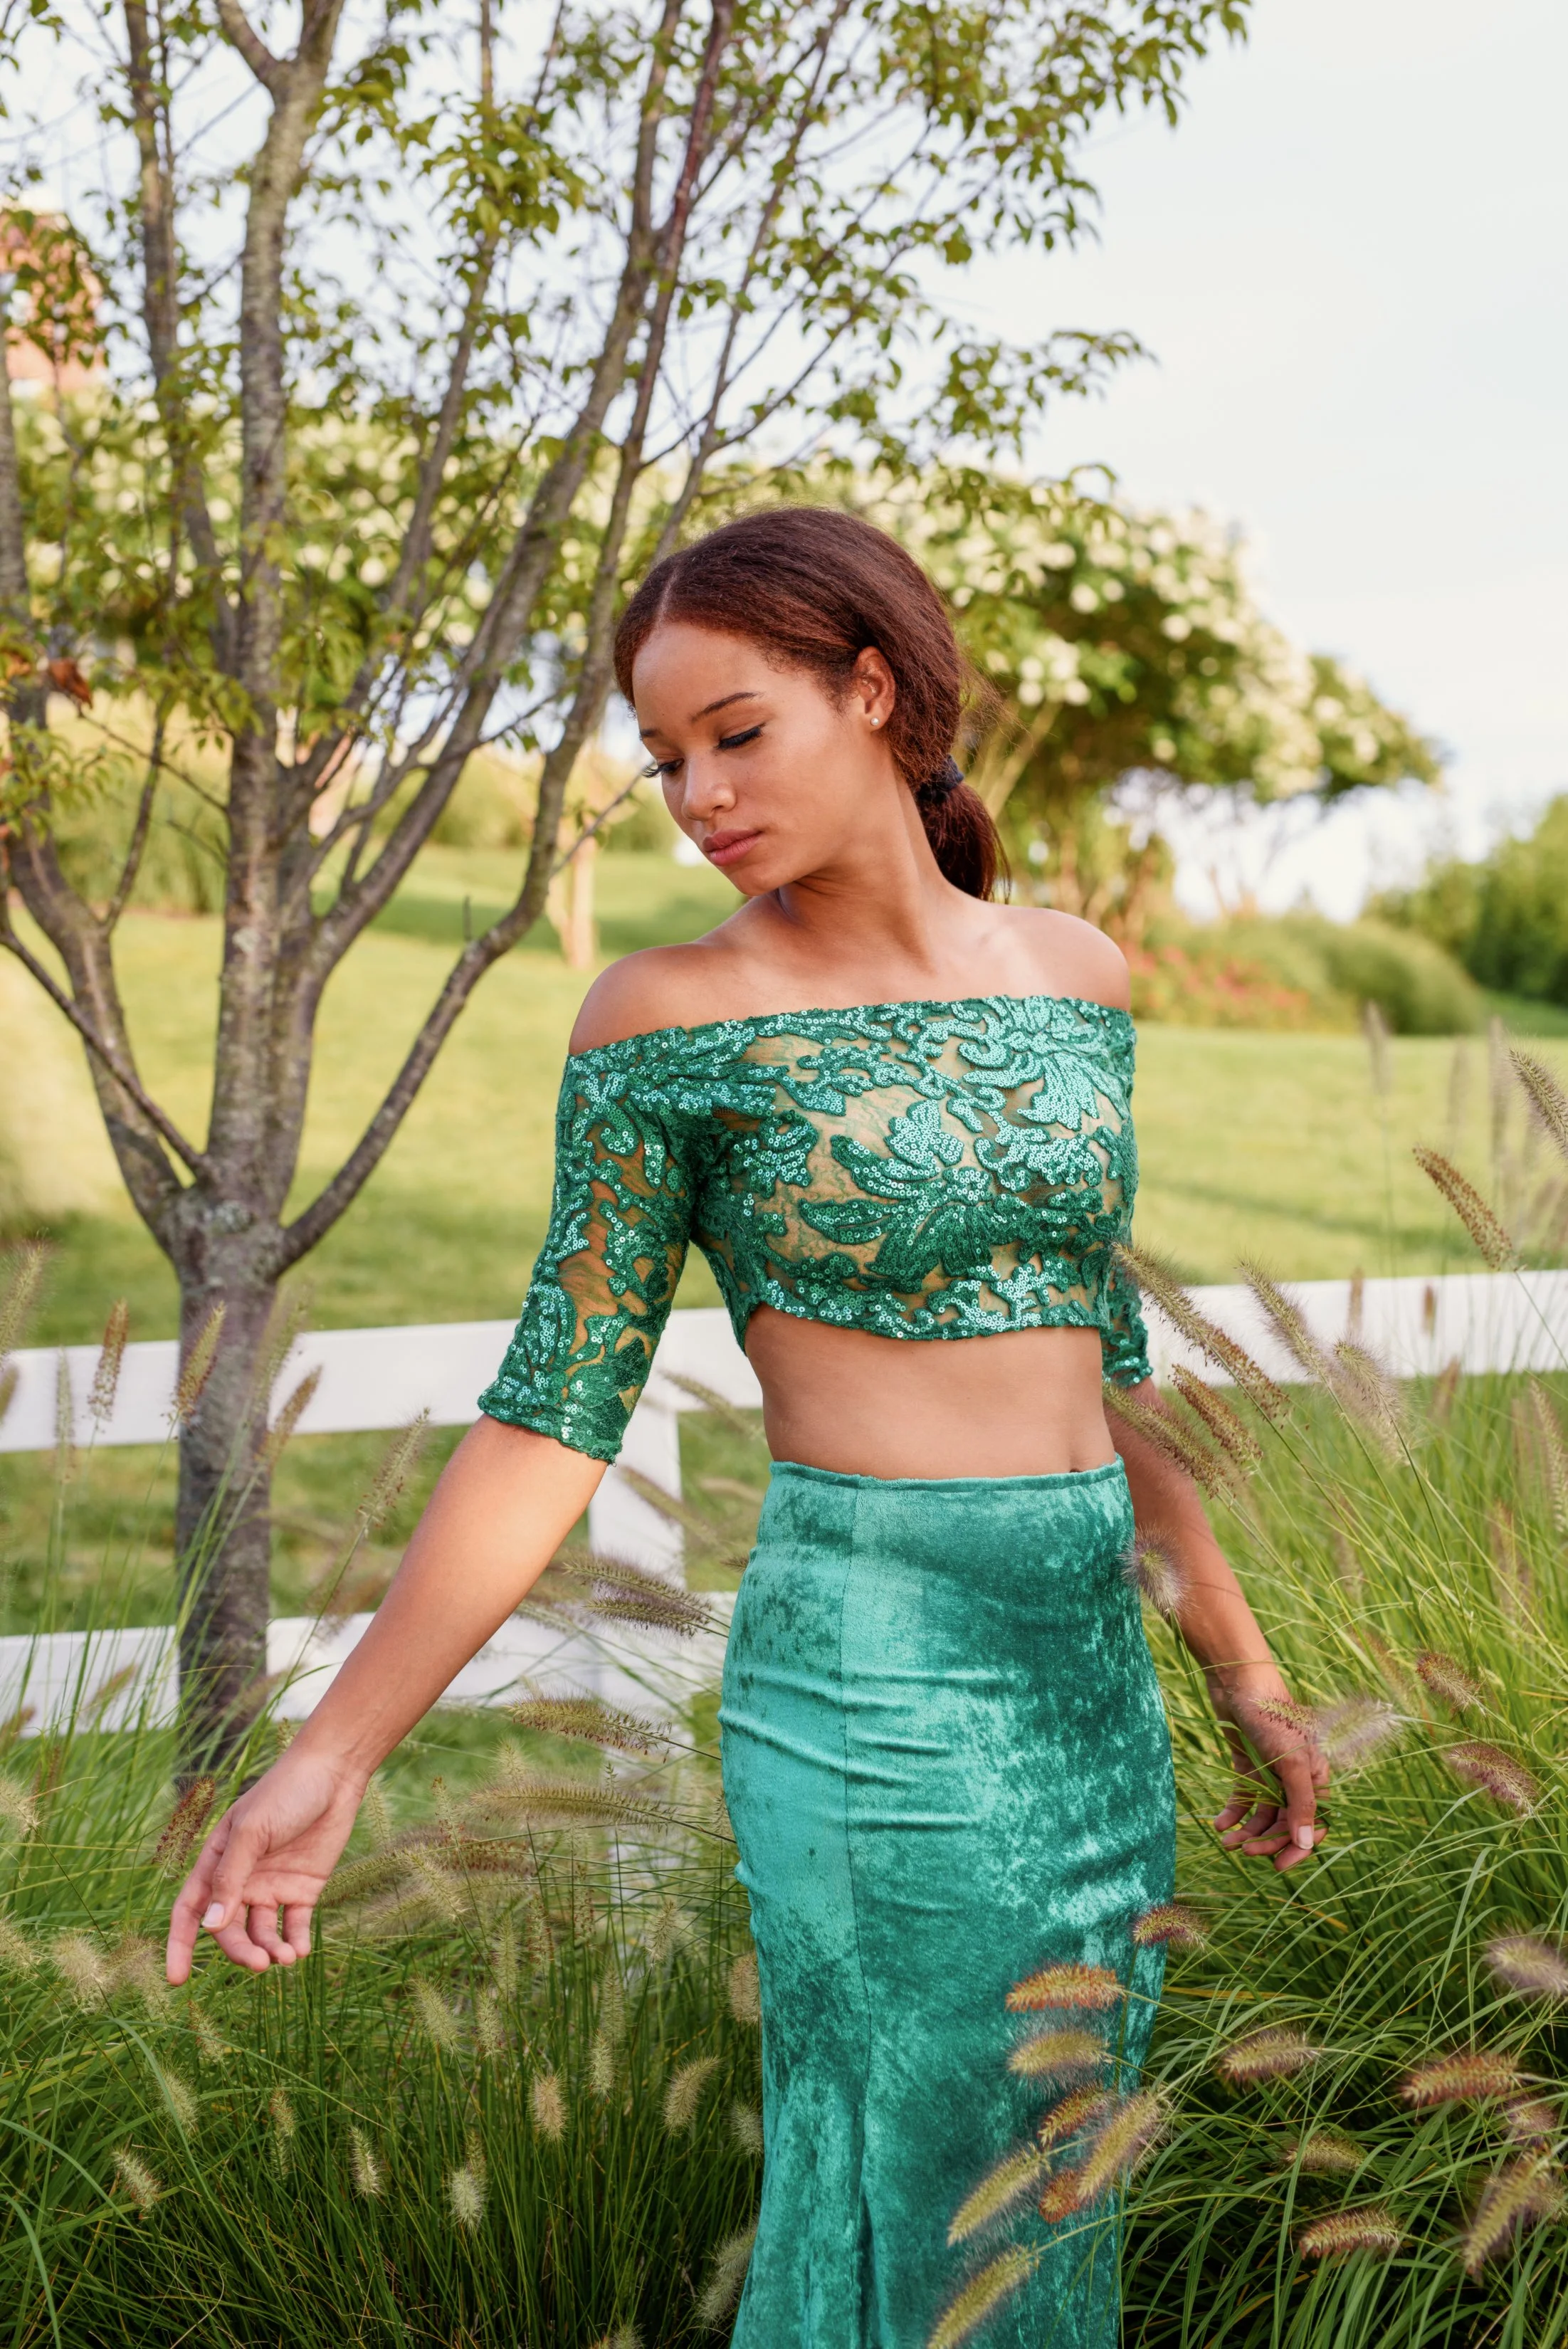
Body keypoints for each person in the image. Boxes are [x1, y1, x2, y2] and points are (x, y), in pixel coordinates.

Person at [167, 507, 1327, 2347]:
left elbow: (1111, 1364)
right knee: (910, 2191)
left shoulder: (1079, 979)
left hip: (1089, 1691)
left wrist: (1246, 1669)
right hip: (873, 1680)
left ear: (872, 692)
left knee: (1054, 2189)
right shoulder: (668, 1019)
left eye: (735, 732)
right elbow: (555, 1412)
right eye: (663, 757)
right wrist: (338, 1751)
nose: (695, 791)